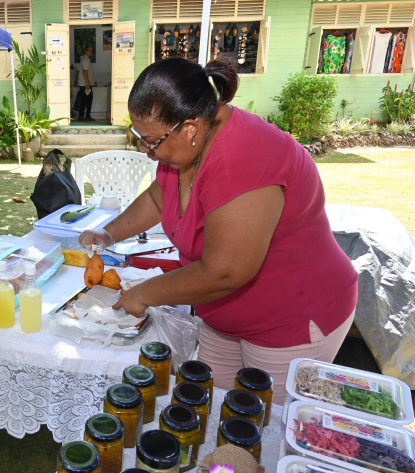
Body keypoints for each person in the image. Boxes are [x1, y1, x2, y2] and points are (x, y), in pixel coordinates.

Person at [79, 58, 358, 404]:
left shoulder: (243, 156)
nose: (145, 152)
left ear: (190, 128)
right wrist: (109, 233)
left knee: (260, 429)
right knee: (208, 412)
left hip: (290, 321)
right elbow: (158, 196)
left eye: (151, 142)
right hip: (223, 317)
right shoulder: (184, 149)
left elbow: (225, 272)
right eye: (138, 138)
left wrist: (145, 293)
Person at [75, 45, 95, 121]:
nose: (91, 52)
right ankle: (82, 116)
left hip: (86, 84)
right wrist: (87, 83)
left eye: (92, 51)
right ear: (85, 52)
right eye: (89, 51)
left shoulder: (86, 59)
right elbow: (85, 71)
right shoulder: (85, 60)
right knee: (85, 100)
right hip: (85, 85)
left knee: (87, 100)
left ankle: (86, 116)